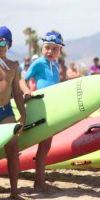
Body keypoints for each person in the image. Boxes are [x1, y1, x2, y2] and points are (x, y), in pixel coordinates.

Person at [25, 31, 64, 191]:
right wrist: (27, 91)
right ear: (42, 48)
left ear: (60, 50)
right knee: (43, 146)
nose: (50, 51)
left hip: (52, 107)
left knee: (46, 146)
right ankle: (39, 181)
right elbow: (24, 78)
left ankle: (39, 180)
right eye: (47, 48)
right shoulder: (39, 62)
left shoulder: (56, 65)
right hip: (41, 106)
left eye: (54, 49)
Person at [0, 26, 26, 199]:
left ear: (9, 44)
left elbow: (16, 92)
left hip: (6, 111)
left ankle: (14, 191)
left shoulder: (13, 66)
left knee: (13, 149)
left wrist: (23, 114)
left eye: (2, 42)